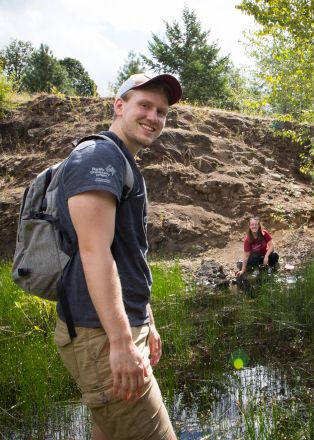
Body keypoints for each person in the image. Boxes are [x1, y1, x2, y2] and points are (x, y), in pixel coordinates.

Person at [53, 73, 182, 440]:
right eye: (145, 105)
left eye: (162, 111)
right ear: (119, 106)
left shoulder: (122, 162)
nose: (154, 117)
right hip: (101, 333)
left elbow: (128, 255)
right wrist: (123, 343)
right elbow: (96, 254)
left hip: (118, 325)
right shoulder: (99, 156)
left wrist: (147, 319)